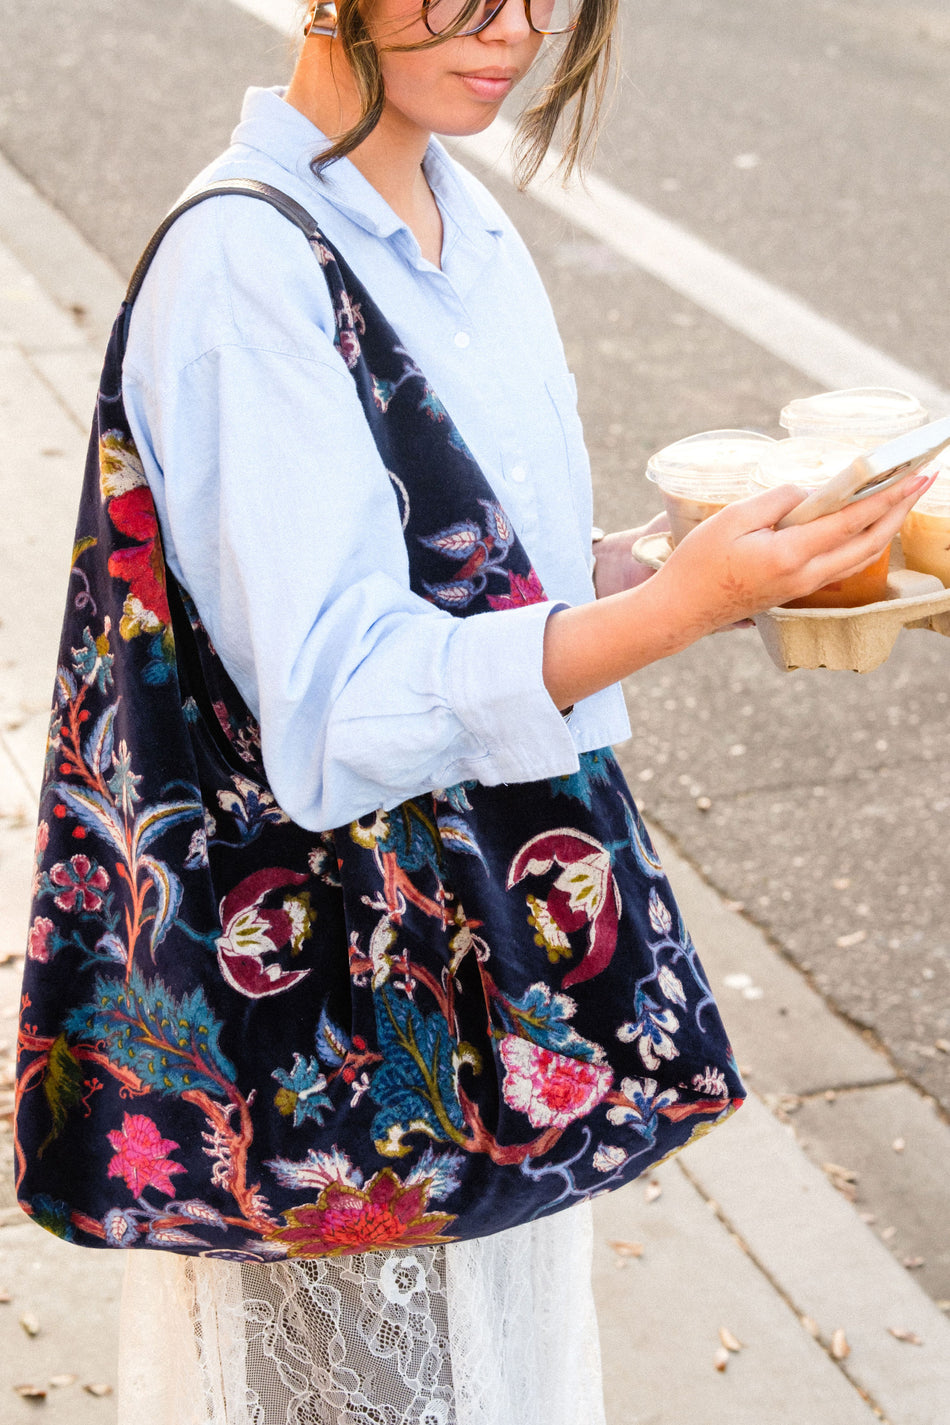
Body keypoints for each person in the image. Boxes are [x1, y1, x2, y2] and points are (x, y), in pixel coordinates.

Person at [112, 2, 930, 1421]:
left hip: (470, 978)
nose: (519, 28)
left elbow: (489, 593)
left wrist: (688, 566)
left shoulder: (451, 211)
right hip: (341, 998)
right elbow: (339, 708)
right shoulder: (245, 261)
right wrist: (672, 609)